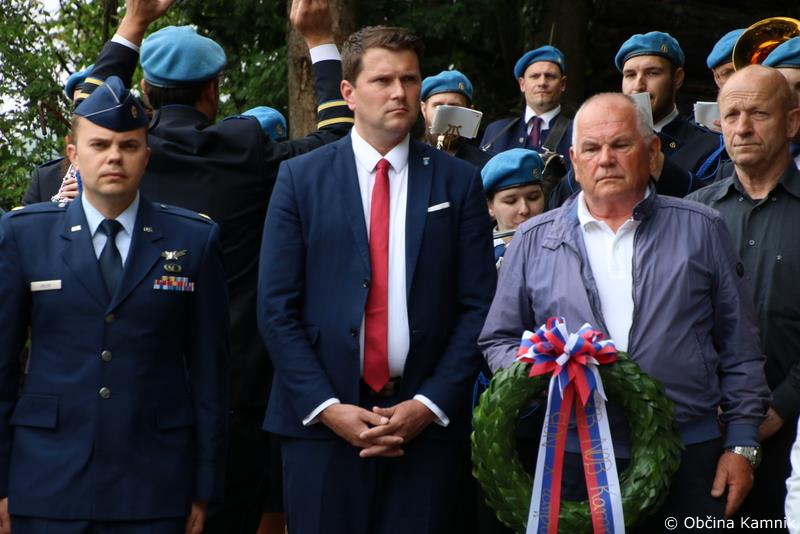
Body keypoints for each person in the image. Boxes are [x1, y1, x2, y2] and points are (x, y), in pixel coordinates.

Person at [80, 0, 354, 531]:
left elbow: (90, 106)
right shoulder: (245, 149)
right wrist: (320, 38)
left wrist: (132, 23)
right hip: (237, 389)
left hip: (133, 385)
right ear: (213, 91)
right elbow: (336, 141)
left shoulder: (126, 151)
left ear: (145, 93)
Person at [479, 92, 769, 527]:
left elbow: (741, 347)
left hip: (690, 452)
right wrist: (543, 374)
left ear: (652, 152)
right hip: (572, 454)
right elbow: (499, 339)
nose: (606, 160)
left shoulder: (703, 228)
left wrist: (742, 444)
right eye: (592, 149)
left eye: (621, 145)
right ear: (574, 162)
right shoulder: (533, 239)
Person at [257, 25, 496, 534]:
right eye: (383, 80)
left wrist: (428, 404)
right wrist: (327, 407)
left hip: (427, 431)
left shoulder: (458, 181)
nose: (399, 92)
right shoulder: (300, 179)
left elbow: (478, 306)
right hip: (321, 429)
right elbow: (276, 308)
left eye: (409, 79)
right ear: (348, 92)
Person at [0, 76, 228, 534]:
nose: (114, 157)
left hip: (155, 483)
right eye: (100, 144)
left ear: (147, 155)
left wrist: (204, 486)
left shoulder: (194, 239)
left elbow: (211, 375)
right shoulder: (24, 235)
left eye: (129, 145)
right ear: (73, 154)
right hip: (45, 480)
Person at [688, 65, 800, 525]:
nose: (743, 128)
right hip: (706, 434)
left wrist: (781, 406)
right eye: (732, 115)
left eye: (759, 114)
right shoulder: (693, 214)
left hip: (793, 434)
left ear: (792, 122)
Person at [480, 45, 572, 172]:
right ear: (522, 84)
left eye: (550, 76)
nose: (542, 83)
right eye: (535, 76)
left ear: (562, 84)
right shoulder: (495, 132)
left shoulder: (578, 133)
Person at [23, 65, 96, 205]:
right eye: (79, 107)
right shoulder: (45, 178)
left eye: (96, 106)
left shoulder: (136, 172)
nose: (85, 115)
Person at [482, 148, 546, 269]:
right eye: (511, 201)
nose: (524, 209)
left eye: (533, 197)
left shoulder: (562, 245)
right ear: (489, 206)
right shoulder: (476, 253)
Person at [419, 69, 490, 168]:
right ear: (424, 110)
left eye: (454, 106)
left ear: (469, 111)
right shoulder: (408, 161)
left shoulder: (487, 166)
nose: (446, 115)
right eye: (438, 106)